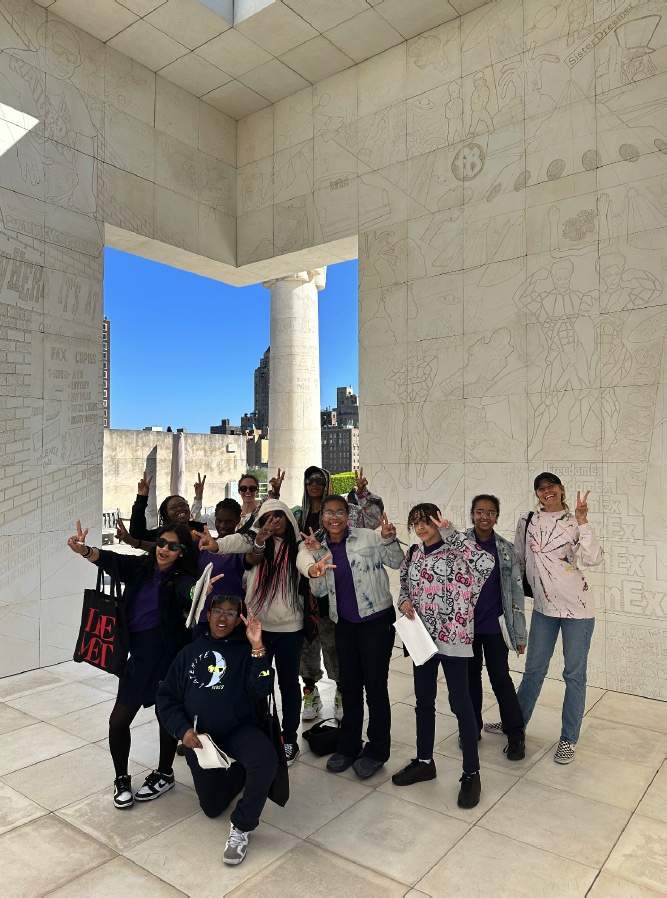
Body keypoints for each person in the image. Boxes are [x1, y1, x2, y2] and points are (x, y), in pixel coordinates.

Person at [66, 519, 198, 809]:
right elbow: (111, 560)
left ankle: (165, 773)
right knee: (118, 721)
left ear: (181, 552)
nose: (164, 549)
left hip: (166, 661)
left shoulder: (180, 579)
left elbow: (191, 592)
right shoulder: (141, 568)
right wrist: (84, 550)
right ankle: (121, 778)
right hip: (137, 660)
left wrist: (199, 594)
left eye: (172, 546)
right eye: (161, 543)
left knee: (167, 719)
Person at [198, 499, 331, 765]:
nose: (274, 521)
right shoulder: (255, 541)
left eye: (279, 516)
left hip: (290, 630)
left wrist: (313, 570)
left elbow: (305, 560)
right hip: (258, 630)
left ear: (287, 519)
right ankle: (259, 734)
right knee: (256, 684)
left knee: (288, 685)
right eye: (269, 517)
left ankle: (289, 738)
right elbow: (235, 541)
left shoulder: (298, 546)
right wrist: (215, 545)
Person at [156, 596, 278, 867]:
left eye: (231, 614)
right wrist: (183, 731)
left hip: (238, 729)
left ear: (238, 620)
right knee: (212, 808)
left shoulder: (246, 650)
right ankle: (238, 772)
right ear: (208, 614)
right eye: (218, 612)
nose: (223, 619)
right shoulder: (188, 652)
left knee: (265, 758)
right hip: (200, 739)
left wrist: (257, 645)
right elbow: (166, 699)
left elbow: (263, 689)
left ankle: (242, 826)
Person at [391, 504, 495, 809]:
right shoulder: (412, 554)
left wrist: (453, 534)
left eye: (427, 521)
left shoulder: (458, 551)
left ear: (439, 522)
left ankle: (471, 773)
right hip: (421, 638)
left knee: (461, 704)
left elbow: (486, 563)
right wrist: (405, 601)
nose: (421, 527)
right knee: (423, 701)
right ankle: (425, 761)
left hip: (454, 638)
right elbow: (404, 587)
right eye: (416, 522)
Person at [502, 473, 602, 765]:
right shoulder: (528, 521)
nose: (547, 491)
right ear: (537, 493)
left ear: (561, 489)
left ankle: (569, 738)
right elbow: (518, 559)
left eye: (552, 486)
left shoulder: (573, 521)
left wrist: (583, 520)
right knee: (533, 670)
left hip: (578, 609)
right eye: (541, 488)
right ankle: (515, 725)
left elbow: (593, 559)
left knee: (573, 675)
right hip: (544, 608)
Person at [306, 495, 403, 780]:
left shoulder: (368, 537)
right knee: (348, 687)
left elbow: (396, 562)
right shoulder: (320, 547)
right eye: (328, 512)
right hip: (344, 624)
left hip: (376, 621)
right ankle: (348, 746)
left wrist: (388, 539)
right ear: (322, 516)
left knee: (375, 687)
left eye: (339, 512)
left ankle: (377, 750)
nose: (333, 517)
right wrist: (316, 566)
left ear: (348, 516)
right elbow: (319, 592)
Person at [296, 467, 384, 722]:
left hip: (335, 593)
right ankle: (309, 690)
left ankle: (341, 691)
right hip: (306, 591)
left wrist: (363, 493)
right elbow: (294, 547)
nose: (313, 485)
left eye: (319, 481)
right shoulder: (298, 515)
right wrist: (311, 569)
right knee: (307, 646)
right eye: (309, 480)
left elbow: (373, 520)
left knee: (334, 647)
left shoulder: (344, 513)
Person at [459, 494, 527, 761]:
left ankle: (515, 734)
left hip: (496, 627)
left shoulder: (506, 550)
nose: (484, 516)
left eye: (490, 512)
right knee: (469, 680)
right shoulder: (459, 545)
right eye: (479, 511)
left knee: (501, 679)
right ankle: (471, 729)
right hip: (466, 628)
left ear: (497, 517)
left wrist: (519, 633)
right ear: (472, 514)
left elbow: (516, 595)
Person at [124, 471, 206, 546]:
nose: (179, 509)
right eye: (173, 508)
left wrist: (198, 498)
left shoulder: (201, 528)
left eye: (182, 505)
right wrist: (141, 498)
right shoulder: (161, 534)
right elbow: (137, 534)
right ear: (166, 514)